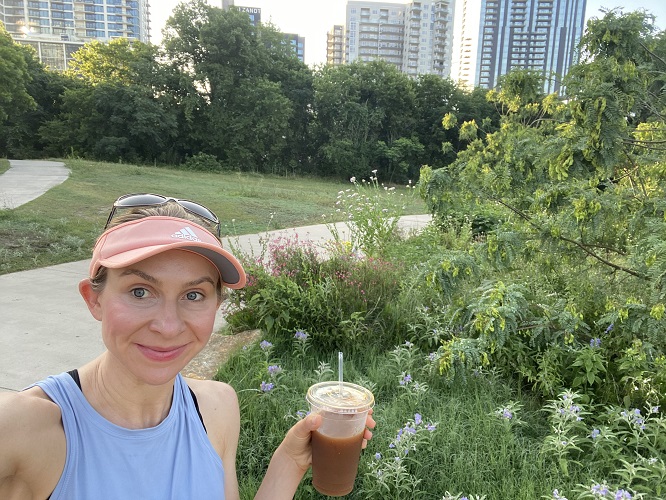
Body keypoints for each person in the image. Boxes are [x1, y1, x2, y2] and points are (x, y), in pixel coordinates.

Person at [0, 193, 375, 500]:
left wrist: (289, 462)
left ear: (217, 305)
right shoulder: (23, 426)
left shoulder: (217, 407)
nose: (167, 326)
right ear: (94, 299)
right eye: (140, 291)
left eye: (194, 294)